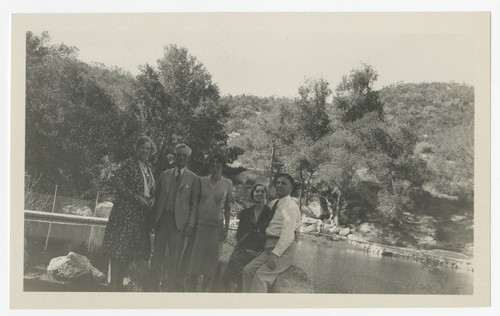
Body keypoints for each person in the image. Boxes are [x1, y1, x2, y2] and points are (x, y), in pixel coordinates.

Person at [103, 136, 156, 291]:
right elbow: (117, 183)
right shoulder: (128, 164)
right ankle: (114, 283)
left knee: (128, 249)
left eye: (148, 148)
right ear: (136, 148)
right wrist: (136, 198)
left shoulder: (148, 168)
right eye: (142, 147)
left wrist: (153, 198)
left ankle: (119, 283)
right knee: (118, 247)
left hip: (139, 216)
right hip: (125, 213)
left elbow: (150, 188)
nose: (145, 151)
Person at [148, 143, 200, 292]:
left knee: (174, 257)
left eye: (185, 155)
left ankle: (168, 289)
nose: (182, 158)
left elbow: (194, 204)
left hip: (179, 224)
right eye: (179, 155)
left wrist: (190, 225)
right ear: (175, 156)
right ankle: (152, 288)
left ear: (188, 159)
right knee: (157, 255)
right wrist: (153, 220)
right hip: (162, 220)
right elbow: (156, 198)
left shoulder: (193, 178)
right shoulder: (165, 174)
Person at [241, 173, 301, 293]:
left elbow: (288, 234)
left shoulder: (291, 206)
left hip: (283, 250)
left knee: (260, 276)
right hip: (268, 248)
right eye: (277, 183)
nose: (279, 185)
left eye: (283, 183)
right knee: (247, 270)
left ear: (291, 188)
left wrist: (276, 254)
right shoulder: (274, 203)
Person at [186, 154, 233, 292]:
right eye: (212, 162)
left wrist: (226, 228)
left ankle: (203, 291)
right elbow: (195, 203)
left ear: (223, 166)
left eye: (218, 163)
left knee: (211, 261)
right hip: (200, 226)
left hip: (216, 228)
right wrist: (191, 223)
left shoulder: (227, 183)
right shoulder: (201, 181)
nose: (214, 165)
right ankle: (191, 290)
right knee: (195, 259)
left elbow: (228, 207)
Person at [221, 184, 273, 292]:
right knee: (229, 277)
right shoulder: (245, 213)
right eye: (257, 191)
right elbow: (240, 234)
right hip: (243, 250)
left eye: (262, 192)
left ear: (266, 195)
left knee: (246, 276)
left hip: (259, 252)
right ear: (253, 194)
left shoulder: (270, 213)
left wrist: (262, 251)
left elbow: (271, 235)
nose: (259, 194)